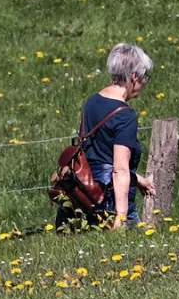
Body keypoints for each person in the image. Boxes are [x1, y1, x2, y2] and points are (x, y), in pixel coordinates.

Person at [59, 42, 156, 228]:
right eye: (144, 78)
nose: (144, 83)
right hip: (109, 202)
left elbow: (98, 156)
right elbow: (119, 169)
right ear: (134, 77)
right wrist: (121, 217)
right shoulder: (124, 116)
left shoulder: (92, 102)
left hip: (86, 195)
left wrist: (139, 180)